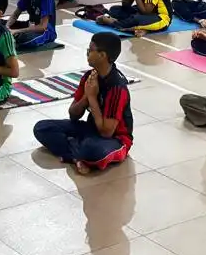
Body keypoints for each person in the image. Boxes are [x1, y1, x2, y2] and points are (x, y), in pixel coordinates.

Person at [33, 33, 133, 172]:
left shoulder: (117, 87)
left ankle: (76, 151)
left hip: (115, 139)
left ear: (102, 55)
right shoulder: (89, 77)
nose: (87, 53)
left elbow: (106, 133)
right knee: (42, 128)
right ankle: (77, 157)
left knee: (93, 149)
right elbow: (73, 115)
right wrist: (86, 96)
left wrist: (92, 97)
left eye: (90, 50)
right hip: (90, 129)